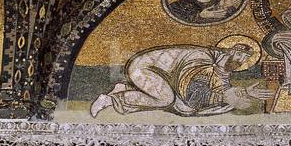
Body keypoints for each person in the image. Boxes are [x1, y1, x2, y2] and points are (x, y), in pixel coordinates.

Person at [89, 42, 254, 118]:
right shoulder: (202, 57)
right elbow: (190, 91)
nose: (240, 60)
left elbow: (220, 87)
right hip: (143, 69)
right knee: (166, 99)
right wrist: (224, 97)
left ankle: (123, 88)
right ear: (231, 51)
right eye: (239, 54)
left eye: (245, 58)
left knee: (177, 103)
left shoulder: (221, 67)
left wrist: (244, 93)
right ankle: (110, 99)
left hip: (162, 75)